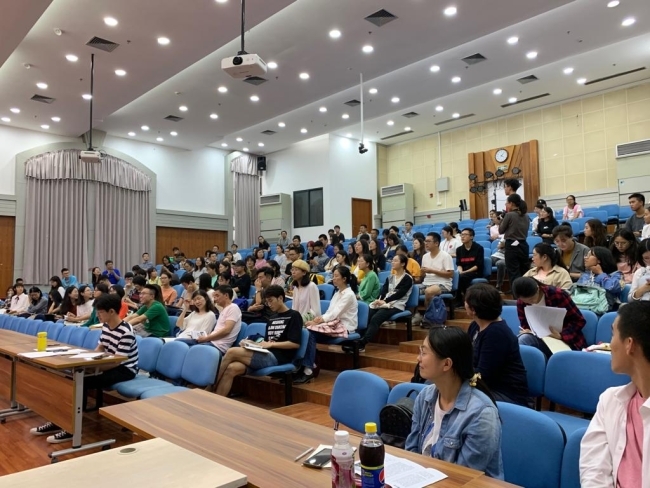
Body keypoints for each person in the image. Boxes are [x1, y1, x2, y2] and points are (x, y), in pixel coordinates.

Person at [30, 293, 138, 444]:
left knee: (80, 383)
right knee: (68, 378)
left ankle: (71, 428)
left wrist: (91, 367)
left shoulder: (126, 331)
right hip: (109, 363)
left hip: (125, 369)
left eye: (100, 312)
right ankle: (58, 420)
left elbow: (117, 362)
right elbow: (101, 346)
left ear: (112, 312)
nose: (97, 315)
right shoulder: (107, 325)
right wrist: (89, 359)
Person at [405, 327, 503, 479]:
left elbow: (462, 477)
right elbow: (412, 450)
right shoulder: (425, 397)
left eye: (424, 353)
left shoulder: (481, 414)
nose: (418, 359)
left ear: (446, 364)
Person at [579, 301, 650, 487]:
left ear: (629, 344)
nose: (610, 344)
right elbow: (593, 470)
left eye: (613, 334)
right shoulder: (610, 400)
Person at [214, 285, 302, 396]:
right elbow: (266, 341)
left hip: (278, 357)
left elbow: (295, 344)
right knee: (232, 369)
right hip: (264, 354)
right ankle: (216, 401)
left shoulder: (294, 315)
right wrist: (252, 344)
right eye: (267, 302)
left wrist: (271, 345)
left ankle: (210, 386)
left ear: (280, 298)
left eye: (271, 301)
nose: (269, 304)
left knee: (232, 352)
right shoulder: (272, 318)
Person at [465, 284, 529, 406]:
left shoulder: (496, 334)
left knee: (452, 394)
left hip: (505, 393)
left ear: (473, 309)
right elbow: (467, 358)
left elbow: (483, 376)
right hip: (486, 386)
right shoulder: (475, 326)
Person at [297, 267, 358, 384]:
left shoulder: (349, 294)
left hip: (345, 326)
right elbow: (330, 312)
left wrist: (318, 321)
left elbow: (336, 313)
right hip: (333, 323)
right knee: (306, 331)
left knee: (310, 332)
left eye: (336, 276)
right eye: (333, 276)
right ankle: (304, 366)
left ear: (344, 279)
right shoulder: (337, 293)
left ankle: (308, 370)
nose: (333, 278)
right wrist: (319, 320)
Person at [347, 254, 413, 353]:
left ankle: (362, 344)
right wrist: (380, 300)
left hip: (397, 305)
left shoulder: (408, 278)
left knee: (376, 318)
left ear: (403, 263)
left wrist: (385, 301)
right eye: (392, 260)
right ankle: (356, 341)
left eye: (395, 261)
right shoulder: (390, 277)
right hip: (385, 303)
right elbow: (384, 291)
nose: (392, 262)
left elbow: (400, 294)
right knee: (367, 314)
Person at [513, 277, 587, 359]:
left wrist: (561, 335)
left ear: (538, 289)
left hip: (564, 339)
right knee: (522, 340)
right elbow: (525, 324)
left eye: (532, 298)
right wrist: (528, 330)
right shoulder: (521, 302)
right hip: (540, 338)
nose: (531, 302)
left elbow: (579, 320)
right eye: (526, 301)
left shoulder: (557, 294)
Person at [190, 285, 242, 354]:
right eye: (214, 296)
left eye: (217, 296)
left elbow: (227, 330)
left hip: (219, 346)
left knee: (192, 350)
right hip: (211, 342)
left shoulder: (233, 308)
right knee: (182, 342)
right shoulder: (224, 309)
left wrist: (206, 338)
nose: (215, 299)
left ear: (226, 295)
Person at [418, 232, 454, 322]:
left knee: (429, 291)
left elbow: (450, 274)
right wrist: (422, 273)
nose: (425, 243)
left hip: (443, 283)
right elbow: (423, 275)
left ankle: (428, 317)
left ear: (436, 243)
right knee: (410, 290)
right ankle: (416, 314)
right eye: (425, 241)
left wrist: (432, 271)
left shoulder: (446, 256)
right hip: (426, 283)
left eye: (428, 241)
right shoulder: (425, 256)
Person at [499, 193, 530, 292]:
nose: (506, 205)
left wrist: (501, 220)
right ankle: (525, 294)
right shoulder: (526, 216)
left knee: (513, 271)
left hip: (512, 245)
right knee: (524, 271)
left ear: (511, 203)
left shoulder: (509, 215)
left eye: (507, 203)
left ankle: (516, 295)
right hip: (523, 244)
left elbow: (501, 230)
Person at [577, 246, 623, 311]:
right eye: (586, 255)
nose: (585, 258)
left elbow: (613, 287)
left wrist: (601, 273)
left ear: (599, 260)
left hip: (605, 309)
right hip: (584, 306)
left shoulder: (616, 274)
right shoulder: (586, 275)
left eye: (589, 255)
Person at [455, 228, 484, 306]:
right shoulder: (459, 249)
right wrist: (460, 271)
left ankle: (464, 299)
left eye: (465, 235)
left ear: (471, 237)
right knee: (457, 276)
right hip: (463, 273)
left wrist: (465, 272)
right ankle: (462, 299)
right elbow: (459, 264)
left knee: (462, 277)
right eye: (461, 235)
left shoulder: (478, 248)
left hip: (476, 272)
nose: (462, 237)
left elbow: (478, 265)